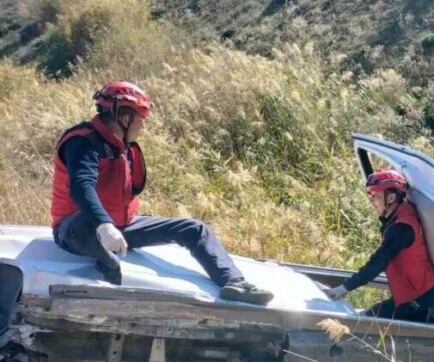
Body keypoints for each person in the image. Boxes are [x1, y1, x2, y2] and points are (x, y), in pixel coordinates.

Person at [51, 81, 273, 305]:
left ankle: (234, 283)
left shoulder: (122, 145)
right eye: (141, 120)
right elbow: (81, 186)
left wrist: (112, 227)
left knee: (194, 229)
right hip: (76, 230)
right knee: (86, 223)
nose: (143, 127)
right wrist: (105, 225)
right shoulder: (82, 142)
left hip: (119, 228)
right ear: (124, 119)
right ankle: (108, 263)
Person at [324, 170, 434, 322]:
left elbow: (378, 262)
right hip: (416, 294)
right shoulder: (402, 214)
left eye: (376, 196)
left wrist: (345, 287)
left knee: (365, 323)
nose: (372, 201)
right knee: (368, 317)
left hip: (420, 299)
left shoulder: (401, 228)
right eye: (371, 196)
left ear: (391, 198)